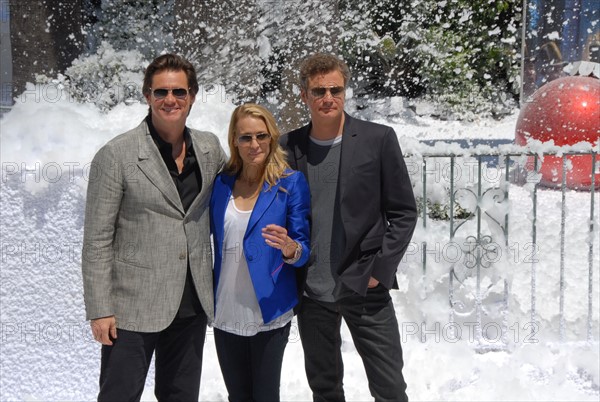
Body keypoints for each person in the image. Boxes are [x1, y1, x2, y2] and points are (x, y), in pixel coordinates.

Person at [81, 53, 226, 402]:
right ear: (147, 96)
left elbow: (242, 189)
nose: (170, 100)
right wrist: (100, 309)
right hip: (132, 306)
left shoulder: (209, 148)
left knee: (181, 396)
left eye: (178, 92)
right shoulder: (117, 155)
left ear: (192, 95)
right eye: (160, 92)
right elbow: (97, 239)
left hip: (191, 301)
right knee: (119, 395)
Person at [280, 53, 418, 402]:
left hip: (364, 285)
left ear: (345, 91)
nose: (328, 98)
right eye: (318, 91)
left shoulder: (378, 139)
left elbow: (403, 212)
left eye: (335, 89)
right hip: (311, 292)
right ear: (304, 95)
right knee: (325, 389)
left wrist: (379, 270)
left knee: (389, 387)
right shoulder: (287, 147)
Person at [210, 103, 310, 402]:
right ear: (234, 141)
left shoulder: (290, 183)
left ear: (271, 138)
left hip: (269, 307)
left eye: (261, 136)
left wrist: (291, 248)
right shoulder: (220, 183)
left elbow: (303, 248)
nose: (254, 145)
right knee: (238, 396)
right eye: (245, 138)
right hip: (226, 307)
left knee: (265, 396)